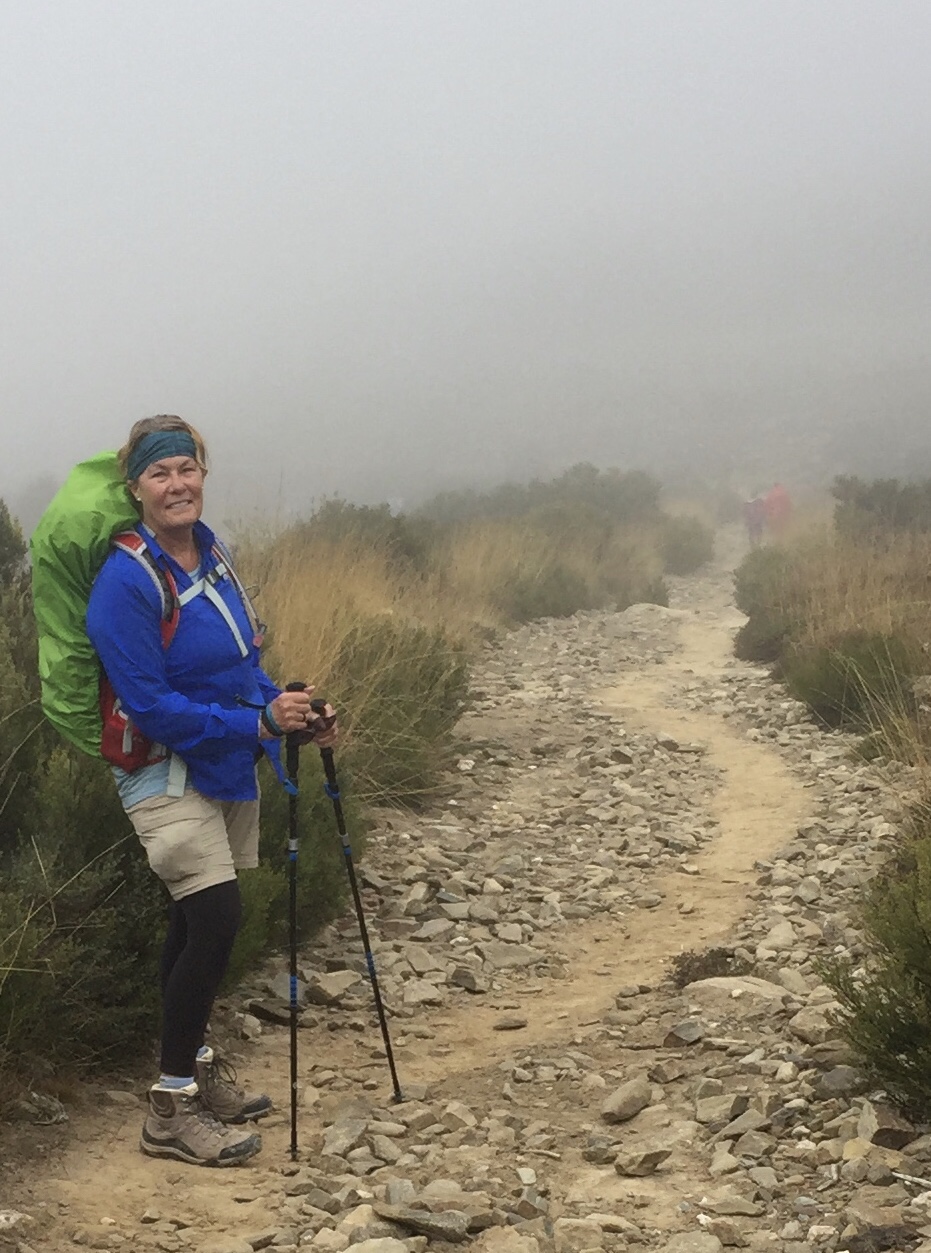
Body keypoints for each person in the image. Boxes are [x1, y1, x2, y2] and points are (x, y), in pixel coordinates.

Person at [87, 415, 337, 1167]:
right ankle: (168, 1110)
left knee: (192, 919)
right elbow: (148, 705)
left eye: (187, 469)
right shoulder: (125, 583)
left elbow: (241, 664)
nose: (177, 484)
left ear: (202, 474)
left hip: (223, 760)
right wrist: (257, 721)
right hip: (162, 768)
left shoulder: (212, 553)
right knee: (217, 915)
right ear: (136, 488)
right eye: (160, 473)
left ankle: (191, 1071)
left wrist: (288, 709)